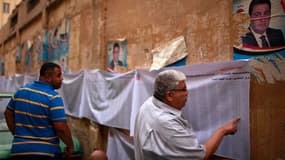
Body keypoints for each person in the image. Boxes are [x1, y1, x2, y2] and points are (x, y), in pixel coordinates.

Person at [134, 70, 240, 160]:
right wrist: (222, 130)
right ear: (170, 95)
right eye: (183, 89)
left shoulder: (148, 104)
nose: (187, 93)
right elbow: (201, 155)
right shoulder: (166, 122)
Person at [4, 62, 74, 160]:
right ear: (48, 77)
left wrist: (16, 133)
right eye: (58, 75)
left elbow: (8, 113)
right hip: (45, 153)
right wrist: (70, 146)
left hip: (19, 151)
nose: (61, 78)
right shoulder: (53, 98)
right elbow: (61, 127)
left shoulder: (21, 92)